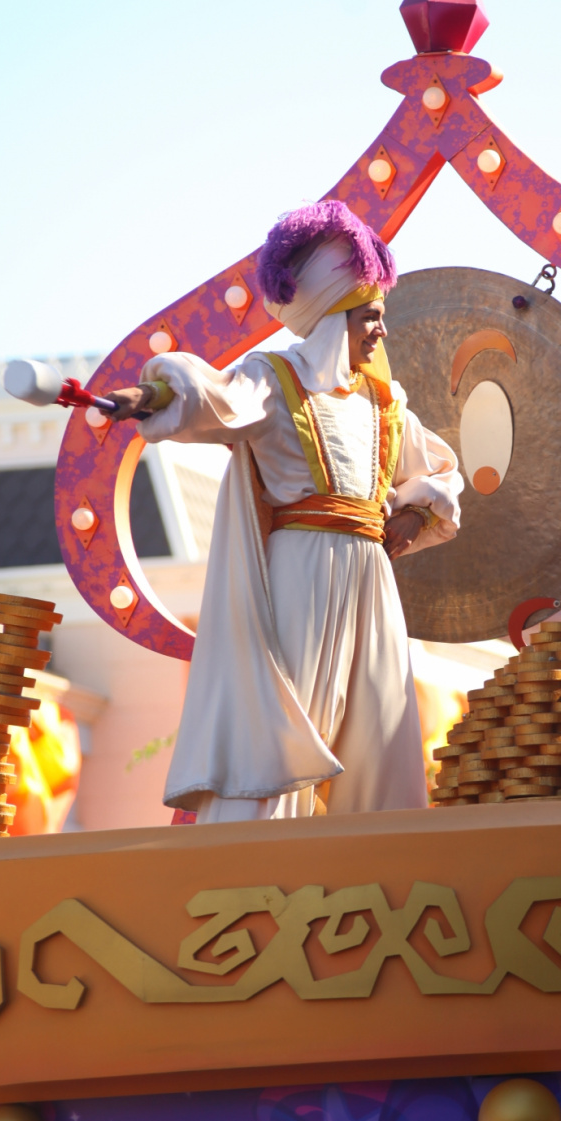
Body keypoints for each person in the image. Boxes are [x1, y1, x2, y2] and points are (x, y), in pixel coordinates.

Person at [106, 201, 463, 821]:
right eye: (371, 316)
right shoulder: (271, 378)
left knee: (382, 725)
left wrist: (412, 513)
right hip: (302, 571)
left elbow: (439, 472)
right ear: (331, 317)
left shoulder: (385, 400)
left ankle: (376, 878)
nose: (381, 331)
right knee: (293, 725)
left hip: (371, 580)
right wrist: (148, 395)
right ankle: (256, 872)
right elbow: (212, 400)